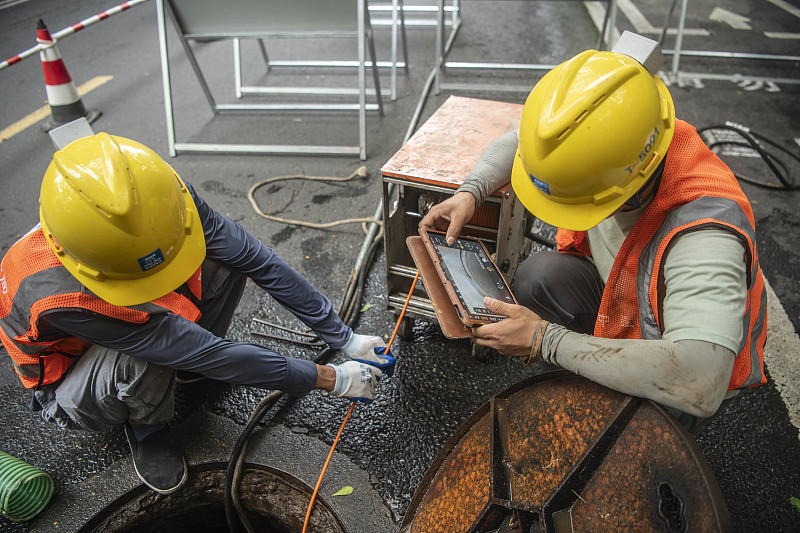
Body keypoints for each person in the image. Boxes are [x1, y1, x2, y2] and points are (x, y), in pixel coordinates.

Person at [0, 130, 392, 495]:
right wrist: (331, 378)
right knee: (144, 358)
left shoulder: (156, 197)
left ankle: (184, 377)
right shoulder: (58, 296)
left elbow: (257, 261)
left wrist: (344, 337)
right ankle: (145, 428)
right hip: (71, 384)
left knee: (223, 264)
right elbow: (198, 349)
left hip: (124, 314)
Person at [420, 31, 767, 431]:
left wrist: (545, 341)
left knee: (650, 430)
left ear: (627, 183)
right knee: (539, 276)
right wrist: (470, 192)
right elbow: (522, 144)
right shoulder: (618, 131)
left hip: (684, 353)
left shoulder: (705, 233)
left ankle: (644, 426)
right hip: (626, 290)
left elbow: (699, 380)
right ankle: (598, 383)